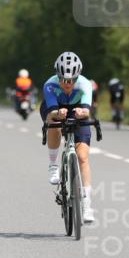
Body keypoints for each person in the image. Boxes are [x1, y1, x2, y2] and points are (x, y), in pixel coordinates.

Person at [41, 52, 95, 223]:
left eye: (71, 79)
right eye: (63, 79)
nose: (67, 83)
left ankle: (87, 206)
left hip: (78, 109)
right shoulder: (50, 85)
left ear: (77, 76)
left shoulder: (85, 84)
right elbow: (51, 111)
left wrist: (82, 112)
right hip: (56, 109)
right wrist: (57, 112)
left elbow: (87, 110)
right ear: (58, 76)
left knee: (83, 157)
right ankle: (53, 165)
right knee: (54, 121)